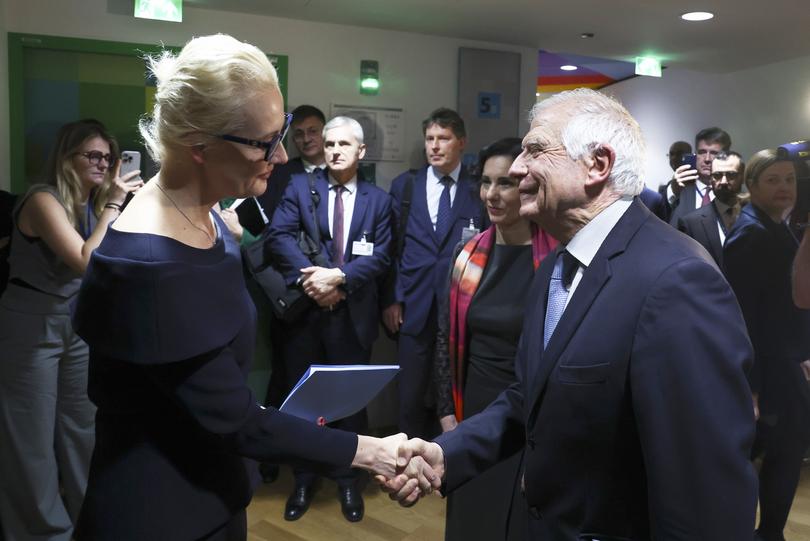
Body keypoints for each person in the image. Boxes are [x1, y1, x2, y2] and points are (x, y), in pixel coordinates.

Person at [69, 35, 403, 541]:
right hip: (164, 514)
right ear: (199, 146)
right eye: (265, 141)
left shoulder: (209, 218)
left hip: (212, 489)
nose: (284, 152)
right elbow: (236, 419)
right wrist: (370, 451)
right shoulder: (149, 265)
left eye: (283, 130)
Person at [387, 88, 757, 539]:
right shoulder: (557, 267)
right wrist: (448, 453)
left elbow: (706, 491)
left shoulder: (677, 279)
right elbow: (527, 399)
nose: (518, 167)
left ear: (597, 165)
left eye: (535, 149)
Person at [0, 119, 142, 540]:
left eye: (107, 157)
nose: (102, 164)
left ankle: (90, 521)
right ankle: (43, 533)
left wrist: (116, 208)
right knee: (31, 440)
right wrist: (114, 207)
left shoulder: (92, 206)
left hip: (77, 322)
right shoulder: (43, 200)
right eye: (92, 155)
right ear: (67, 157)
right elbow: (86, 260)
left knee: (84, 429)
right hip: (31, 323)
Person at [267, 116, 393, 523]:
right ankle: (303, 478)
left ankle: (347, 480)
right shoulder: (301, 187)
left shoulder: (378, 199)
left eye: (344, 144)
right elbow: (279, 237)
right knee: (302, 402)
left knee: (350, 405)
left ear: (361, 151)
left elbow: (381, 256)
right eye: (329, 143)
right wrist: (314, 281)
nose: (334, 150)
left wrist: (338, 278)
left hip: (352, 314)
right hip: (306, 314)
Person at [433, 137, 556, 540]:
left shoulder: (557, 259)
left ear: (527, 186)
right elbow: (445, 338)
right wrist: (447, 411)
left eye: (504, 183)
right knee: (473, 520)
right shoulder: (466, 254)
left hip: (530, 412)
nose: (492, 194)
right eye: (485, 182)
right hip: (474, 407)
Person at [383, 107, 487, 439]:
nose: (435, 146)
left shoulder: (477, 191)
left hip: (459, 307)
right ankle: (407, 459)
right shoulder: (406, 187)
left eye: (444, 138)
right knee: (410, 392)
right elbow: (391, 249)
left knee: (454, 390)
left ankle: (450, 459)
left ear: (462, 143)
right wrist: (392, 298)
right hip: (412, 304)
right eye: (430, 139)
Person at [724, 149, 810, 541]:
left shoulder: (778, 227)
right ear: (753, 185)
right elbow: (743, 319)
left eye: (789, 179)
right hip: (770, 374)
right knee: (775, 461)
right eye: (773, 180)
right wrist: (752, 386)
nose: (783, 187)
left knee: (782, 459)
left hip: (784, 367)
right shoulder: (752, 234)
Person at [256, 104, 327, 223]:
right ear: (293, 139)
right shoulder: (276, 173)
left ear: (325, 133)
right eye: (299, 134)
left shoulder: (342, 172)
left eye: (313, 131)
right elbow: (266, 221)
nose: (306, 139)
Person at [678, 150, 745, 267]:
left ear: (742, 177)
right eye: (717, 175)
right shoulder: (691, 224)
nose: (724, 181)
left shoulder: (758, 215)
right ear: (710, 179)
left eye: (731, 175)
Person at [668, 127, 732, 226]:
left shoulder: (734, 194)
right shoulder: (680, 187)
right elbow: (659, 214)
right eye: (702, 152)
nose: (707, 159)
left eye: (714, 153)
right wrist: (672, 191)